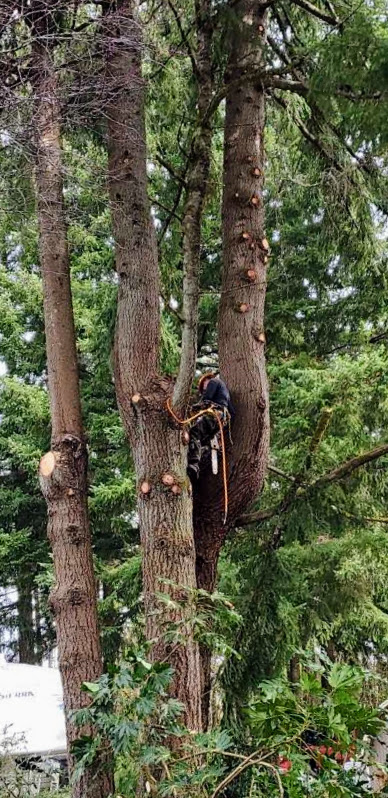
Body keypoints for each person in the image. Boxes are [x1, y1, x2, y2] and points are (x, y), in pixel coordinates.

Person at [187, 373, 234, 481]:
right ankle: (196, 465)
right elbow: (233, 412)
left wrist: (193, 408)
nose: (204, 389)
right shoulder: (225, 393)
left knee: (194, 433)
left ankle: (193, 465)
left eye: (204, 386)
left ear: (207, 380)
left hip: (214, 415)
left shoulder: (214, 381)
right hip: (221, 419)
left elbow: (206, 399)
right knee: (203, 441)